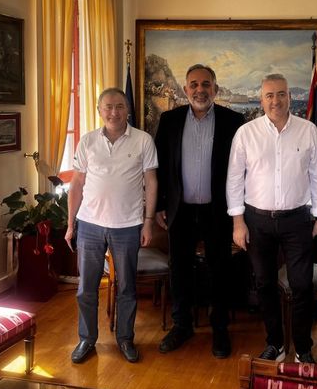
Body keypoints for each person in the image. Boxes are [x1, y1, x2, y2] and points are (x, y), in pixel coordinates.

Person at [226, 73, 317, 364]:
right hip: (257, 221)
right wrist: (237, 222)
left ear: (289, 97)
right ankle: (275, 344)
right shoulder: (246, 133)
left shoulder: (307, 130)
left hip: (298, 220)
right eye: (269, 95)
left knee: (302, 285)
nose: (276, 100)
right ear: (261, 100)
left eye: (281, 94)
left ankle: (303, 347)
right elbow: (234, 179)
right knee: (264, 284)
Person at [154, 64, 245, 358]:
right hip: (179, 210)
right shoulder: (169, 120)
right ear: (185, 90)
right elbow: (160, 167)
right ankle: (182, 325)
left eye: (206, 84)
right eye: (194, 84)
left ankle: (220, 328)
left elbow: (243, 169)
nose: (200, 90)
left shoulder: (234, 121)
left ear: (215, 89)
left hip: (217, 210)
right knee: (179, 268)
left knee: (220, 269)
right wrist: (159, 206)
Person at [65, 87, 158, 364]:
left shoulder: (143, 140)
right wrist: (70, 224)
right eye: (108, 107)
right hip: (90, 225)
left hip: (127, 225)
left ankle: (125, 339)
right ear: (99, 110)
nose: (114, 112)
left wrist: (148, 222)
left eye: (119, 106)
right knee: (86, 288)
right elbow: (76, 184)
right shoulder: (87, 141)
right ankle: (86, 339)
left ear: (127, 109)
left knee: (127, 287)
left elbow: (151, 182)